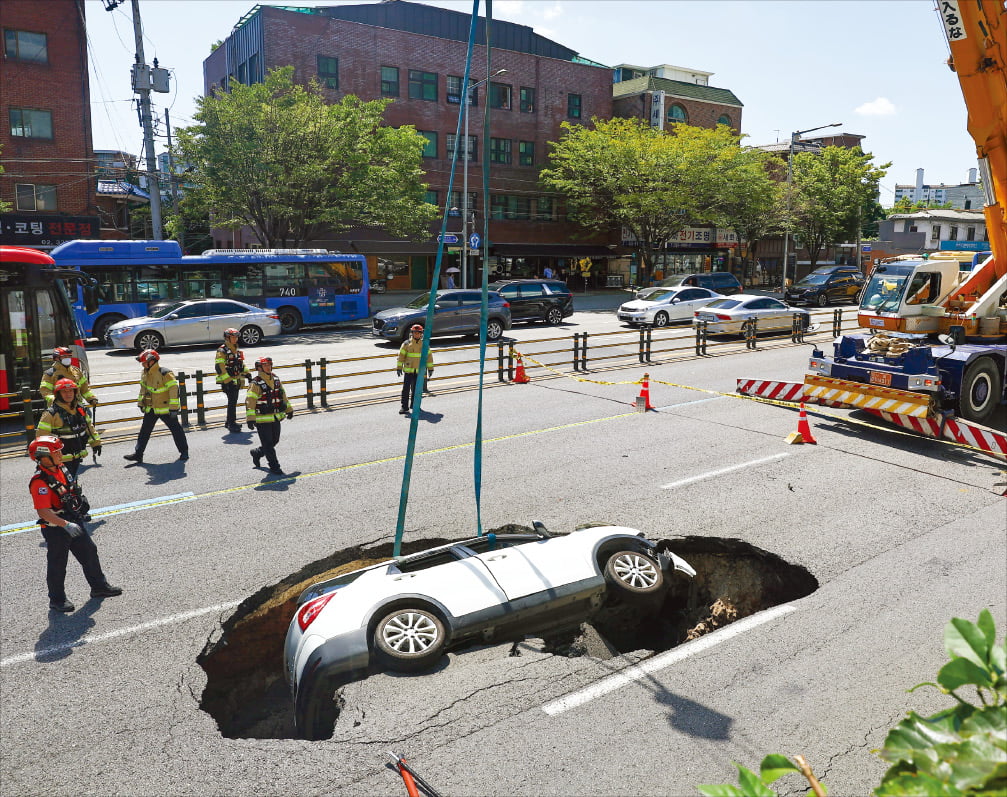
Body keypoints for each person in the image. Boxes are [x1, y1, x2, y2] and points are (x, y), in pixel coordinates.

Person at [28, 435, 121, 613]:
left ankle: (99, 587)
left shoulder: (60, 468)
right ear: (43, 457)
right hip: (56, 527)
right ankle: (57, 600)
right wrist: (65, 525)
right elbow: (43, 512)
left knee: (89, 551)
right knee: (58, 563)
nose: (60, 454)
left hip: (72, 519)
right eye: (56, 452)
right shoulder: (40, 481)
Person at [124, 349, 188, 463]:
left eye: (144, 362)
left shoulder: (165, 373)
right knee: (144, 432)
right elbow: (143, 389)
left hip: (166, 409)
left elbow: (174, 390)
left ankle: (184, 452)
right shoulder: (145, 373)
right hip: (151, 408)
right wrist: (141, 403)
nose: (142, 364)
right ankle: (138, 454)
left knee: (176, 430)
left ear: (152, 361)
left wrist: (174, 408)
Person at [36, 378, 101, 478]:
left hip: (76, 457)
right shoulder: (51, 414)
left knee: (72, 484)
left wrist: (96, 443)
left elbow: (89, 427)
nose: (68, 394)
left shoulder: (80, 409)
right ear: (58, 394)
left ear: (75, 392)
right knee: (62, 487)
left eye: (71, 391)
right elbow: (41, 438)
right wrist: (47, 461)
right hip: (59, 461)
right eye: (64, 391)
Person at [245, 356, 293, 475]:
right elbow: (250, 401)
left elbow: (283, 395)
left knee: (274, 441)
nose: (268, 367)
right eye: (265, 365)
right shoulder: (255, 383)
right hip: (262, 419)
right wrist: (250, 419)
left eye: (269, 365)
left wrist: (289, 409)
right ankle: (274, 466)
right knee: (268, 444)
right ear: (259, 368)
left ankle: (257, 452)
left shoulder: (276, 379)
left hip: (276, 417)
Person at [215, 327, 249, 433]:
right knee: (232, 402)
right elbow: (219, 367)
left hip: (236, 380)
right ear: (227, 338)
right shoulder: (222, 350)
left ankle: (228, 421)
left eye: (236, 337)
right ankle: (231, 423)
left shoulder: (236, 349)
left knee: (233, 402)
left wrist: (248, 374)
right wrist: (228, 381)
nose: (235, 339)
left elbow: (241, 364)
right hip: (228, 382)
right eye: (232, 337)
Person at [396, 324, 434, 415]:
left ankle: (415, 406)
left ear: (421, 334)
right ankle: (404, 407)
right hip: (408, 372)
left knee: (417, 390)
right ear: (412, 333)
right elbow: (401, 356)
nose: (417, 334)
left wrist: (430, 369)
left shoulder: (424, 345)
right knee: (405, 390)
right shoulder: (406, 344)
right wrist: (399, 368)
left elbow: (429, 357)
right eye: (415, 333)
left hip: (419, 372)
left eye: (418, 333)